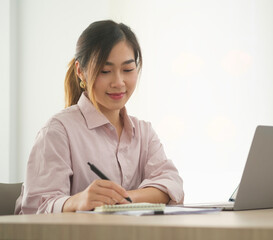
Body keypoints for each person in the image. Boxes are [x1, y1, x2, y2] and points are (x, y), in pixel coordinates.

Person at [15, 20, 184, 214]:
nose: (119, 82)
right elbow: (33, 211)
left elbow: (170, 182)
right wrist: (77, 201)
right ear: (81, 71)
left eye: (128, 69)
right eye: (105, 71)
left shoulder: (144, 132)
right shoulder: (58, 131)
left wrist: (120, 200)